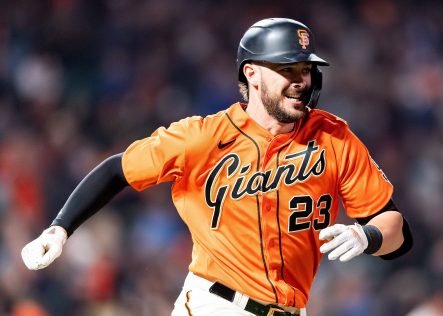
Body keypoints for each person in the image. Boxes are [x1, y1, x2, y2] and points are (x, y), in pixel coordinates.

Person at [22, 18, 413, 316]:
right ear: (252, 73)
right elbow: (116, 169)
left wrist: (368, 237)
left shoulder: (334, 138)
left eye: (305, 70)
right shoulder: (203, 137)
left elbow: (398, 232)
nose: (301, 81)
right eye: (288, 70)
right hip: (216, 306)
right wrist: (61, 226)